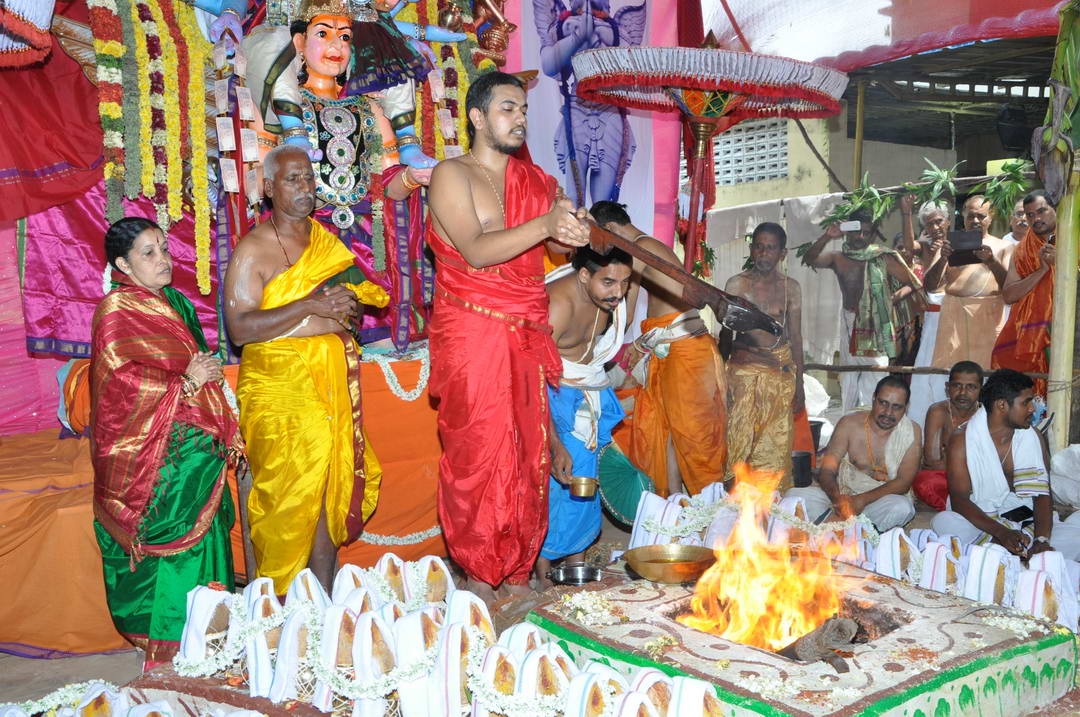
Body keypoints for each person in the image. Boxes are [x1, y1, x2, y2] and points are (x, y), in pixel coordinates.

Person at [426, 71, 590, 601]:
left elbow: (558, 252)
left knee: (526, 455)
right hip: (472, 331)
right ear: (477, 116)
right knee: (480, 454)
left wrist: (571, 229)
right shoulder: (451, 174)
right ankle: (479, 580)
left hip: (524, 333)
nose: (519, 118)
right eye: (507, 108)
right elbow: (476, 250)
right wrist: (546, 225)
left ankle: (516, 574)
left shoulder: (537, 182)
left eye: (522, 110)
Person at [224, 145, 389, 595]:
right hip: (278, 386)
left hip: (330, 380)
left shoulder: (325, 243)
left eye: (309, 178)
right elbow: (240, 329)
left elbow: (354, 311)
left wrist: (346, 308)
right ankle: (278, 604)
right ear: (268, 187)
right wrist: (308, 306)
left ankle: (322, 601)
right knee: (289, 496)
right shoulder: (253, 249)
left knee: (327, 492)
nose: (305, 187)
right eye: (292, 179)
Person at [91, 217, 244, 668]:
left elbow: (195, 360)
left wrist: (207, 378)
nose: (163, 259)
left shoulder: (175, 301)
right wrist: (187, 383)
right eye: (148, 253)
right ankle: (171, 645)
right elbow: (120, 383)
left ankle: (213, 636)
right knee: (177, 540)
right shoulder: (116, 310)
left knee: (207, 533)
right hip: (157, 456)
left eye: (163, 248)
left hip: (198, 441)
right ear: (123, 265)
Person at [590, 200, 728, 497]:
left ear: (609, 229)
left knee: (695, 438)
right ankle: (674, 506)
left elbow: (625, 312)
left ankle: (713, 512)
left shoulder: (639, 250)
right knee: (666, 431)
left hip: (685, 350)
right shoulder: (645, 247)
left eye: (599, 239)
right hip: (674, 348)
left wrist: (592, 341)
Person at [537, 245, 633, 584]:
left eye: (625, 282)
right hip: (552, 396)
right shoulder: (558, 307)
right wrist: (553, 443)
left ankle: (575, 565)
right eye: (608, 282)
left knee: (584, 483)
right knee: (554, 485)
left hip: (588, 390)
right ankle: (542, 573)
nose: (618, 292)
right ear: (583, 275)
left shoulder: (607, 298)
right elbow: (531, 375)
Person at [932, 369, 1080, 559]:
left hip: (1027, 519)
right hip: (981, 519)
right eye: (1026, 402)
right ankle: (1008, 552)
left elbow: (1042, 496)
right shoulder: (962, 440)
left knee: (1075, 538)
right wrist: (1002, 532)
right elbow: (960, 501)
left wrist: (1041, 540)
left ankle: (1002, 552)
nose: (1032, 409)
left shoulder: (1032, 437)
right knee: (944, 521)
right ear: (1002, 405)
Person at [802, 208, 922, 411]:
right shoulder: (838, 257)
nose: (861, 237)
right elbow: (810, 259)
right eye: (857, 231)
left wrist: (892, 299)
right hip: (849, 322)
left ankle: (874, 420)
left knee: (876, 375)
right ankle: (849, 420)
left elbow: (913, 282)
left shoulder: (882, 257)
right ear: (848, 231)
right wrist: (827, 236)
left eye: (866, 233)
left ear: (873, 234)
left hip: (875, 326)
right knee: (849, 378)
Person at [721, 222, 806, 490]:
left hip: (778, 375)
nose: (763, 253)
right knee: (738, 441)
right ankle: (733, 500)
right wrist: (721, 376)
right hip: (743, 374)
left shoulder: (791, 288)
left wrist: (800, 384)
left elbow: (796, 337)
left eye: (770, 248)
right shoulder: (737, 284)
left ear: (782, 253)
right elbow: (725, 335)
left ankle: (769, 502)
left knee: (774, 445)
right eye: (759, 247)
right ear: (751, 249)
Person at [785, 376, 920, 531]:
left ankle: (838, 529)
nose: (888, 412)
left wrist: (861, 500)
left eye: (897, 407)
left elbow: (903, 482)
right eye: (883, 403)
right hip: (841, 495)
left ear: (906, 407)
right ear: (873, 398)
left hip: (878, 502)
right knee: (794, 495)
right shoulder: (849, 423)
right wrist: (838, 500)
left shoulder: (911, 432)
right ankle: (854, 530)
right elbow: (827, 470)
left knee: (902, 508)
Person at [921, 195, 1012, 374]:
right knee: (950, 374)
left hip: (989, 317)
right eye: (971, 216)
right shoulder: (948, 245)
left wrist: (992, 261)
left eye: (981, 216)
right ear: (963, 217)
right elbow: (930, 286)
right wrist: (943, 258)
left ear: (991, 217)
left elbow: (1008, 287)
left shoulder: (1004, 247)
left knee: (987, 374)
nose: (975, 221)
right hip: (953, 317)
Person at [992, 190, 1057, 395]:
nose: (1036, 219)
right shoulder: (1022, 250)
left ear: (1055, 209)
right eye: (1030, 215)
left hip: (1067, 329)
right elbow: (1009, 295)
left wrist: (1062, 261)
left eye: (1041, 211)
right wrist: (1042, 271)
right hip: (1029, 332)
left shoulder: (1073, 240)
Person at [911, 361, 983, 511]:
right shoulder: (938, 411)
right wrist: (970, 464)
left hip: (978, 479)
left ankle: (961, 507)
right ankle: (970, 508)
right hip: (949, 478)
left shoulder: (986, 414)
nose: (963, 393)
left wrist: (949, 459)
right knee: (925, 483)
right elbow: (932, 461)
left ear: (980, 389)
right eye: (957, 386)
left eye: (971, 387)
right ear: (947, 387)